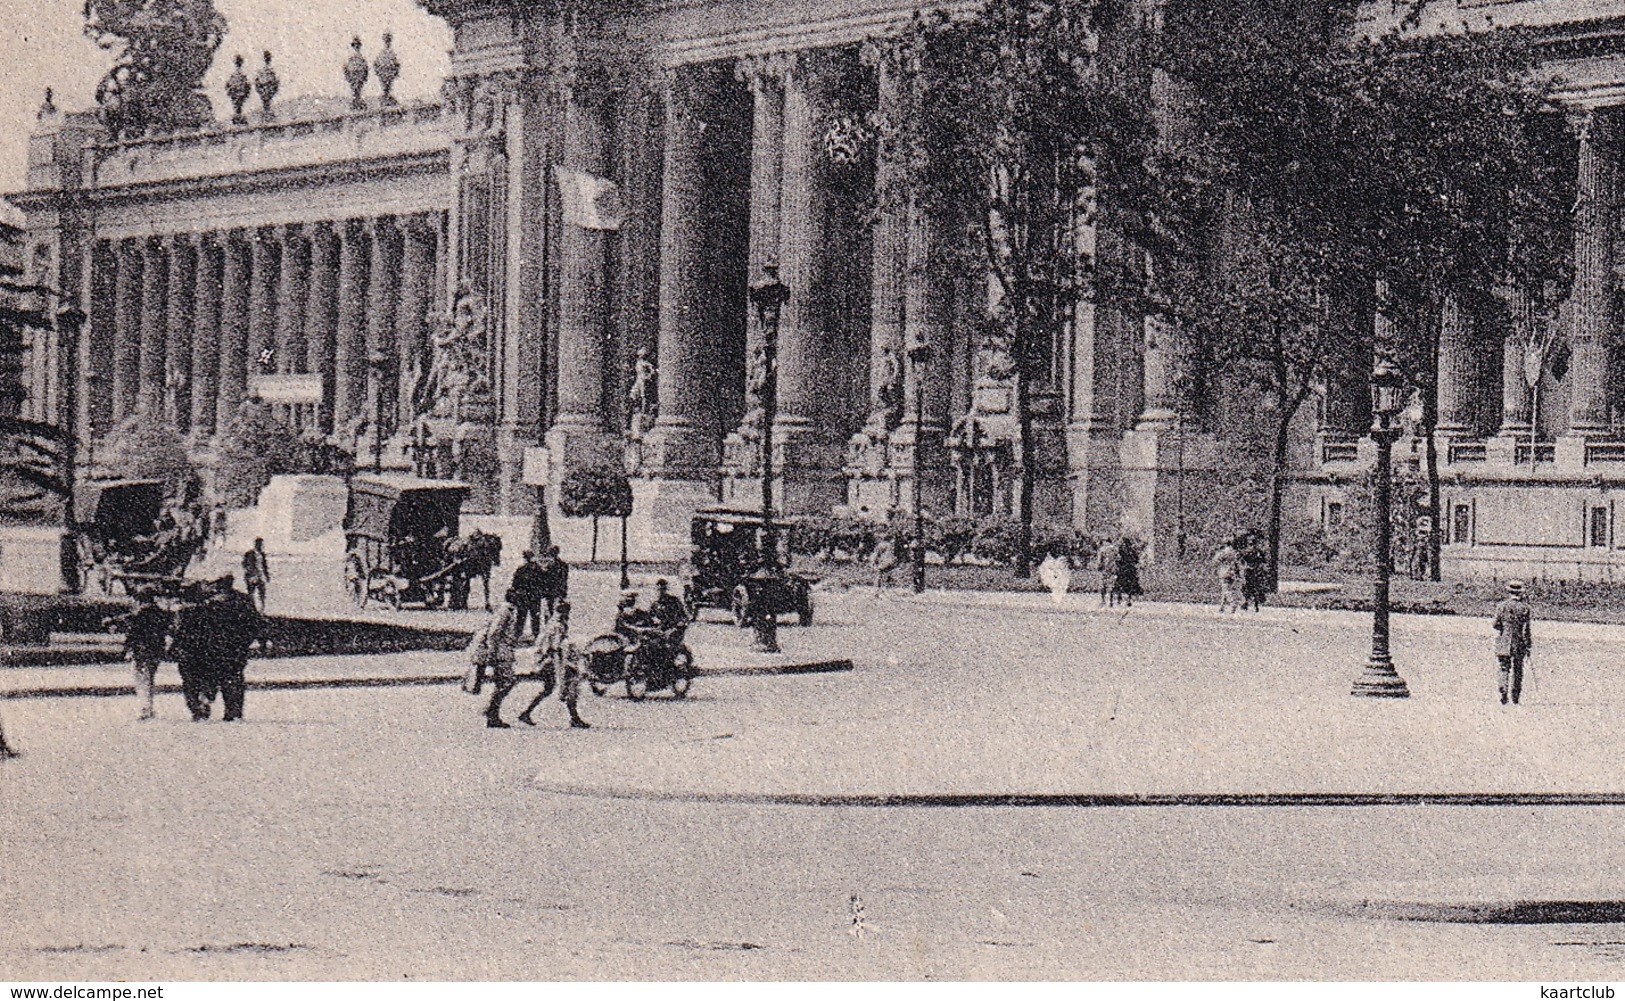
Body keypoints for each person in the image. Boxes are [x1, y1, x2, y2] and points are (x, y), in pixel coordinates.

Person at [517, 602, 589, 729]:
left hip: (549, 660)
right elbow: (555, 647)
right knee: (569, 684)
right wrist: (562, 665)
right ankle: (574, 718)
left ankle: (527, 713)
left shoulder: (552, 623)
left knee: (552, 688)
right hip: (553, 661)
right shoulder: (557, 626)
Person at [105, 589, 171, 721]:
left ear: (140, 601)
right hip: (156, 650)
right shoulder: (162, 614)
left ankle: (145, 708)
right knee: (150, 678)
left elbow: (129, 628)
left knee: (141, 679)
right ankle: (149, 707)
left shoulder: (139, 615)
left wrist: (110, 622)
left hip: (140, 651)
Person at [209, 575, 261, 722]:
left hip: (231, 646)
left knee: (232, 678)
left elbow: (253, 624)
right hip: (228, 646)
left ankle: (232, 711)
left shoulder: (210, 601)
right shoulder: (242, 600)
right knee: (231, 678)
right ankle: (231, 711)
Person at [469, 590, 522, 728]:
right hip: (500, 653)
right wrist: (492, 653)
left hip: (503, 651)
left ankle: (492, 714)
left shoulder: (508, 609)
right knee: (507, 681)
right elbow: (494, 632)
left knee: (503, 683)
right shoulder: (505, 610)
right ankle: (491, 710)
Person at [1493, 579, 1534, 706]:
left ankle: (1503, 690)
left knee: (1504, 667)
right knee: (1518, 669)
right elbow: (1526, 629)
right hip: (1518, 642)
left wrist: (1504, 630)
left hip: (1504, 641)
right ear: (1521, 593)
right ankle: (1515, 695)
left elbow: (1495, 624)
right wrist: (1528, 644)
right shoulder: (1525, 608)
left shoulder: (1502, 606)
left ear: (1509, 592)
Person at [509, 550, 547, 642]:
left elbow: (515, 584)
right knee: (535, 617)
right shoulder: (539, 569)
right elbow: (544, 583)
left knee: (521, 616)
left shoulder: (521, 569)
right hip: (535, 597)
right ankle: (536, 635)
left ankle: (517, 635)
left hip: (523, 597)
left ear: (525, 559)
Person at [1212, 538, 1243, 613]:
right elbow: (1238, 563)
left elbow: (1215, 560)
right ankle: (1224, 606)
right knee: (1230, 589)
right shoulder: (1235, 552)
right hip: (1233, 573)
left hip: (1224, 572)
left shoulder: (1223, 552)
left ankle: (1231, 604)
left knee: (1225, 589)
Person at [540, 545, 570, 619]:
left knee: (550, 607)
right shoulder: (563, 565)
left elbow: (545, 578)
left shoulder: (549, 565)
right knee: (557, 607)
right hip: (558, 589)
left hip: (551, 590)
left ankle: (549, 620)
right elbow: (564, 579)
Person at [1239, 536, 1268, 612]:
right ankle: (1254, 604)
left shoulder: (1247, 551)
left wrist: (1245, 566)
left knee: (1246, 587)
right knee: (1254, 588)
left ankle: (1247, 603)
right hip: (1255, 571)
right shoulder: (1259, 552)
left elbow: (1241, 560)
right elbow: (1264, 562)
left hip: (1250, 571)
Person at [242, 537, 271, 613]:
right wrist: (250, 574)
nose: (261, 546)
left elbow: (264, 566)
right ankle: (251, 609)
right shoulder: (249, 554)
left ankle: (261, 610)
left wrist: (266, 575)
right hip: (252, 577)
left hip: (261, 577)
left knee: (262, 594)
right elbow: (245, 565)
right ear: (256, 544)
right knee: (251, 594)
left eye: (261, 544)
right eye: (260, 544)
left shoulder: (262, 555)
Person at [1114, 537, 1142, 608]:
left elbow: (1118, 559)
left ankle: (1119, 598)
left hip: (1123, 568)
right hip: (1130, 569)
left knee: (1120, 583)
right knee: (1130, 584)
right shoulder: (1132, 551)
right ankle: (1128, 599)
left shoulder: (1122, 550)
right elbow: (1136, 560)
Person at [1096, 537, 1121, 607]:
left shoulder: (1102, 549)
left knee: (1103, 584)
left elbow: (1099, 560)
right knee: (1112, 584)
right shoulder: (1115, 549)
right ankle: (1111, 601)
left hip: (1105, 568)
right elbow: (1119, 558)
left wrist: (1098, 567)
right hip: (1113, 568)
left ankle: (1103, 601)